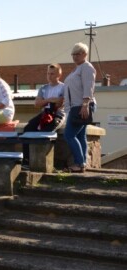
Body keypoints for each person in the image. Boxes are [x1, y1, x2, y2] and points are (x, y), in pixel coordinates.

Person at [63, 42, 96, 173]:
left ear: (85, 54)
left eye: (78, 54)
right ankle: (82, 164)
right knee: (81, 136)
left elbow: (89, 87)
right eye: (73, 54)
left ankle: (79, 163)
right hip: (75, 106)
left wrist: (85, 105)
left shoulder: (87, 67)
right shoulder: (77, 69)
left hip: (81, 106)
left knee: (69, 135)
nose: (75, 56)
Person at [23, 64, 65, 163]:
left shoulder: (64, 87)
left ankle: (44, 161)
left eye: (52, 74)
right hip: (44, 113)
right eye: (48, 73)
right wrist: (50, 100)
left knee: (47, 131)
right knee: (28, 128)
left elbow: (60, 103)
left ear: (59, 75)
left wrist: (45, 101)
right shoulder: (43, 88)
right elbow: (37, 104)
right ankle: (27, 158)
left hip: (57, 114)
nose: (49, 76)